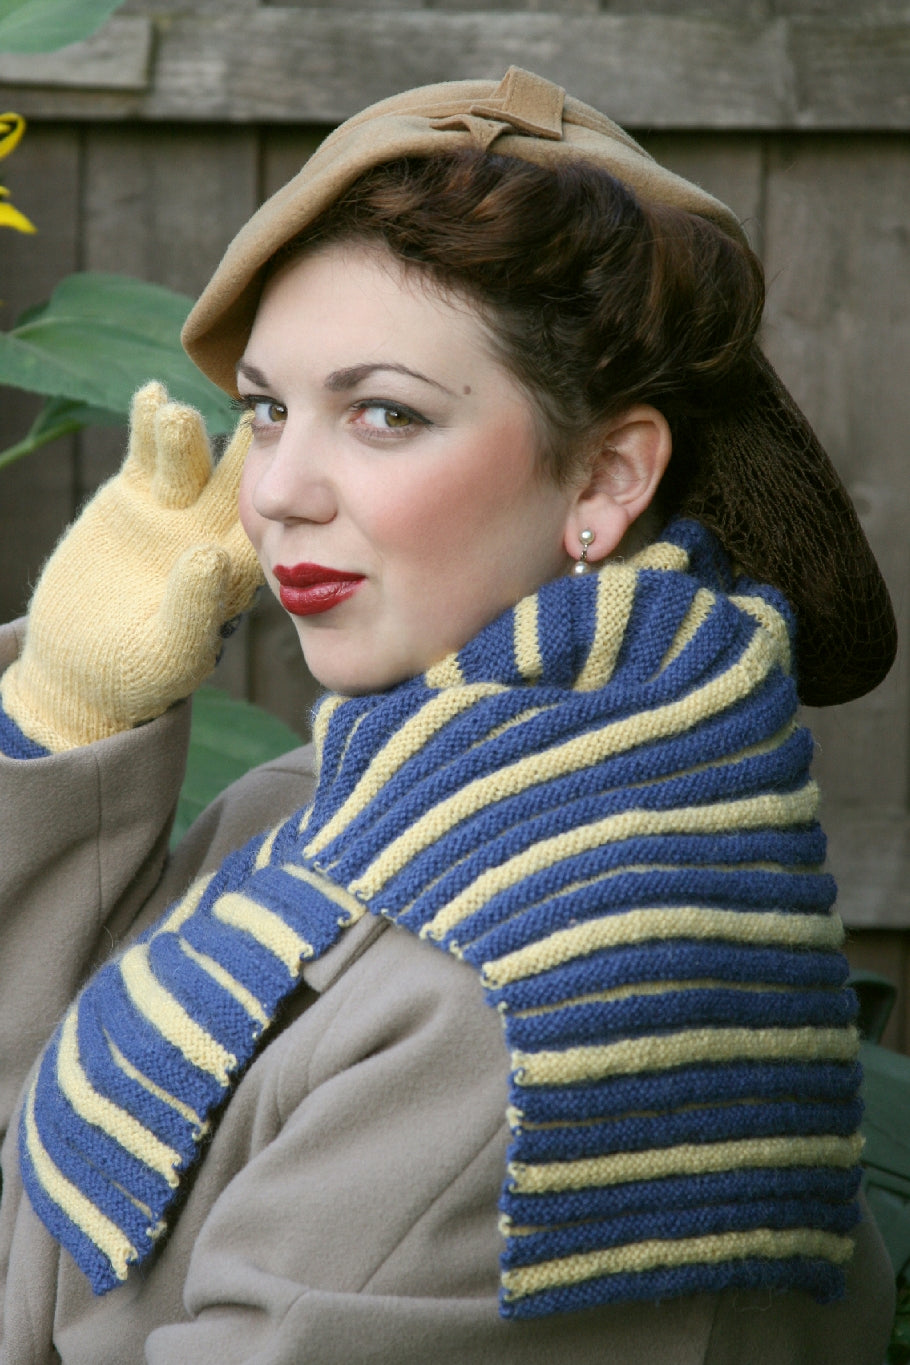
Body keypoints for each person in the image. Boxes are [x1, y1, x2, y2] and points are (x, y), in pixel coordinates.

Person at [0, 67, 898, 1364]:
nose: (279, 489)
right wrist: (57, 720)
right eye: (266, 405)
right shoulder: (335, 811)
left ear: (605, 474)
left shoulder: (527, 1005)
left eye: (382, 411)